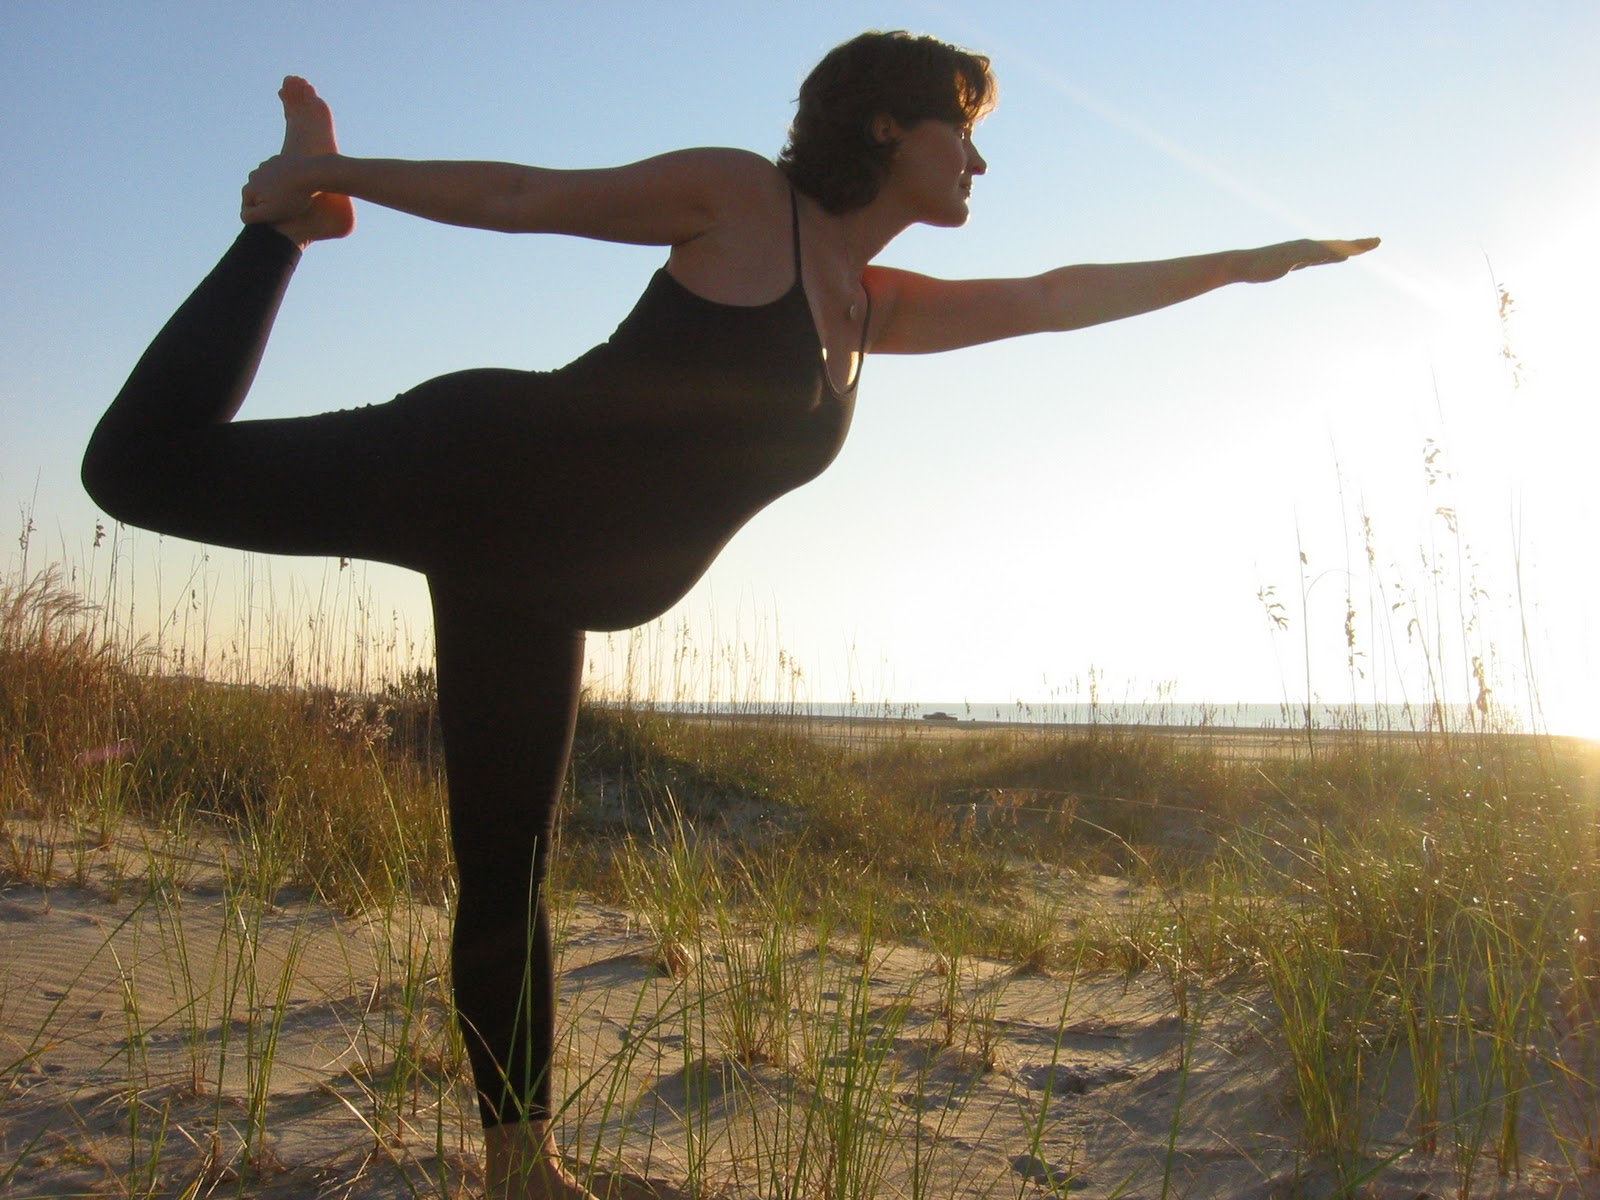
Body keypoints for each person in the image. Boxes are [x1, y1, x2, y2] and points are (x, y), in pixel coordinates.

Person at [82, 31, 1376, 1200]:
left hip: (534, 578)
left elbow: (1052, 297)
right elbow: (524, 197)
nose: (979, 161)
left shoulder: (867, 307)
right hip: (480, 465)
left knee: (507, 866)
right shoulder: (745, 202)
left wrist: (1241, 266)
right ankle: (291, 228)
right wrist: (336, 169)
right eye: (964, 130)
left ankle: (520, 1169)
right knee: (134, 470)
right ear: (888, 126)